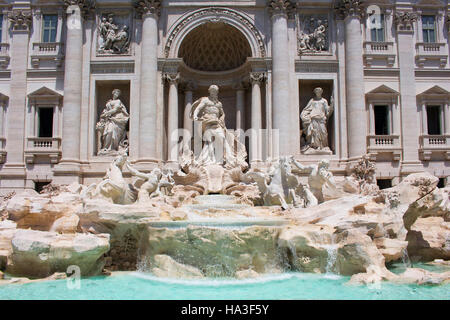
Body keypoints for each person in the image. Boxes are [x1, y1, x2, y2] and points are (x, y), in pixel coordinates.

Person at [97, 89, 129, 155]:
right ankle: (107, 148)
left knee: (113, 132)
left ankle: (114, 148)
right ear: (113, 93)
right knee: (109, 132)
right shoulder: (109, 101)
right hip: (109, 119)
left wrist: (106, 114)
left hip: (117, 119)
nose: (117, 94)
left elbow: (115, 109)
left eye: (118, 93)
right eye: (116, 93)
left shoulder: (118, 101)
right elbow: (105, 110)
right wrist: (105, 114)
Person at [300, 87, 333, 152]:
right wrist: (304, 116)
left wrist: (331, 105)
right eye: (317, 91)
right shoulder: (312, 100)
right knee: (314, 133)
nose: (318, 93)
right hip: (313, 118)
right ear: (315, 92)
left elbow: (328, 112)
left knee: (323, 132)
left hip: (321, 119)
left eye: (319, 91)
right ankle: (316, 147)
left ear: (321, 92)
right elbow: (307, 109)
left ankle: (323, 146)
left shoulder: (324, 101)